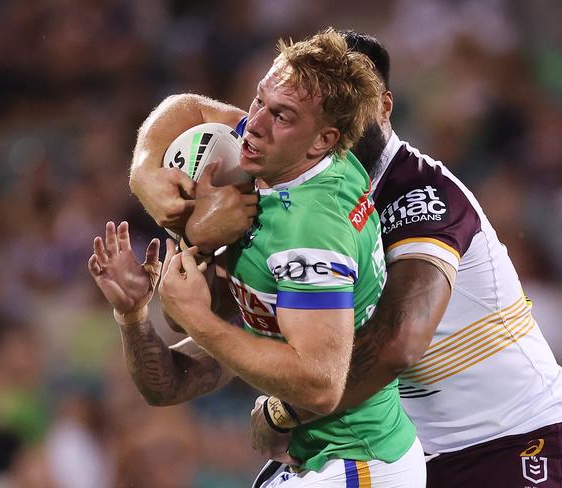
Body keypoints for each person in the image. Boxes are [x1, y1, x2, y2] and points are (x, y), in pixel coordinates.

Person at [128, 30, 562, 487]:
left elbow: (397, 343)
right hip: (414, 449)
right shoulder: (296, 150)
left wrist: (285, 409)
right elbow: (188, 109)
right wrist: (147, 172)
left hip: (517, 442)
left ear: (379, 106)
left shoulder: (420, 196)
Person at [91, 29, 426, 487]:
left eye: (281, 115)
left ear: (321, 140)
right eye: (258, 101)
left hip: (357, 465)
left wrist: (199, 319)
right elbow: (190, 107)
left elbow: (321, 385)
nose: (254, 124)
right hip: (314, 461)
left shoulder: (309, 234)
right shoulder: (285, 156)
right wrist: (145, 172)